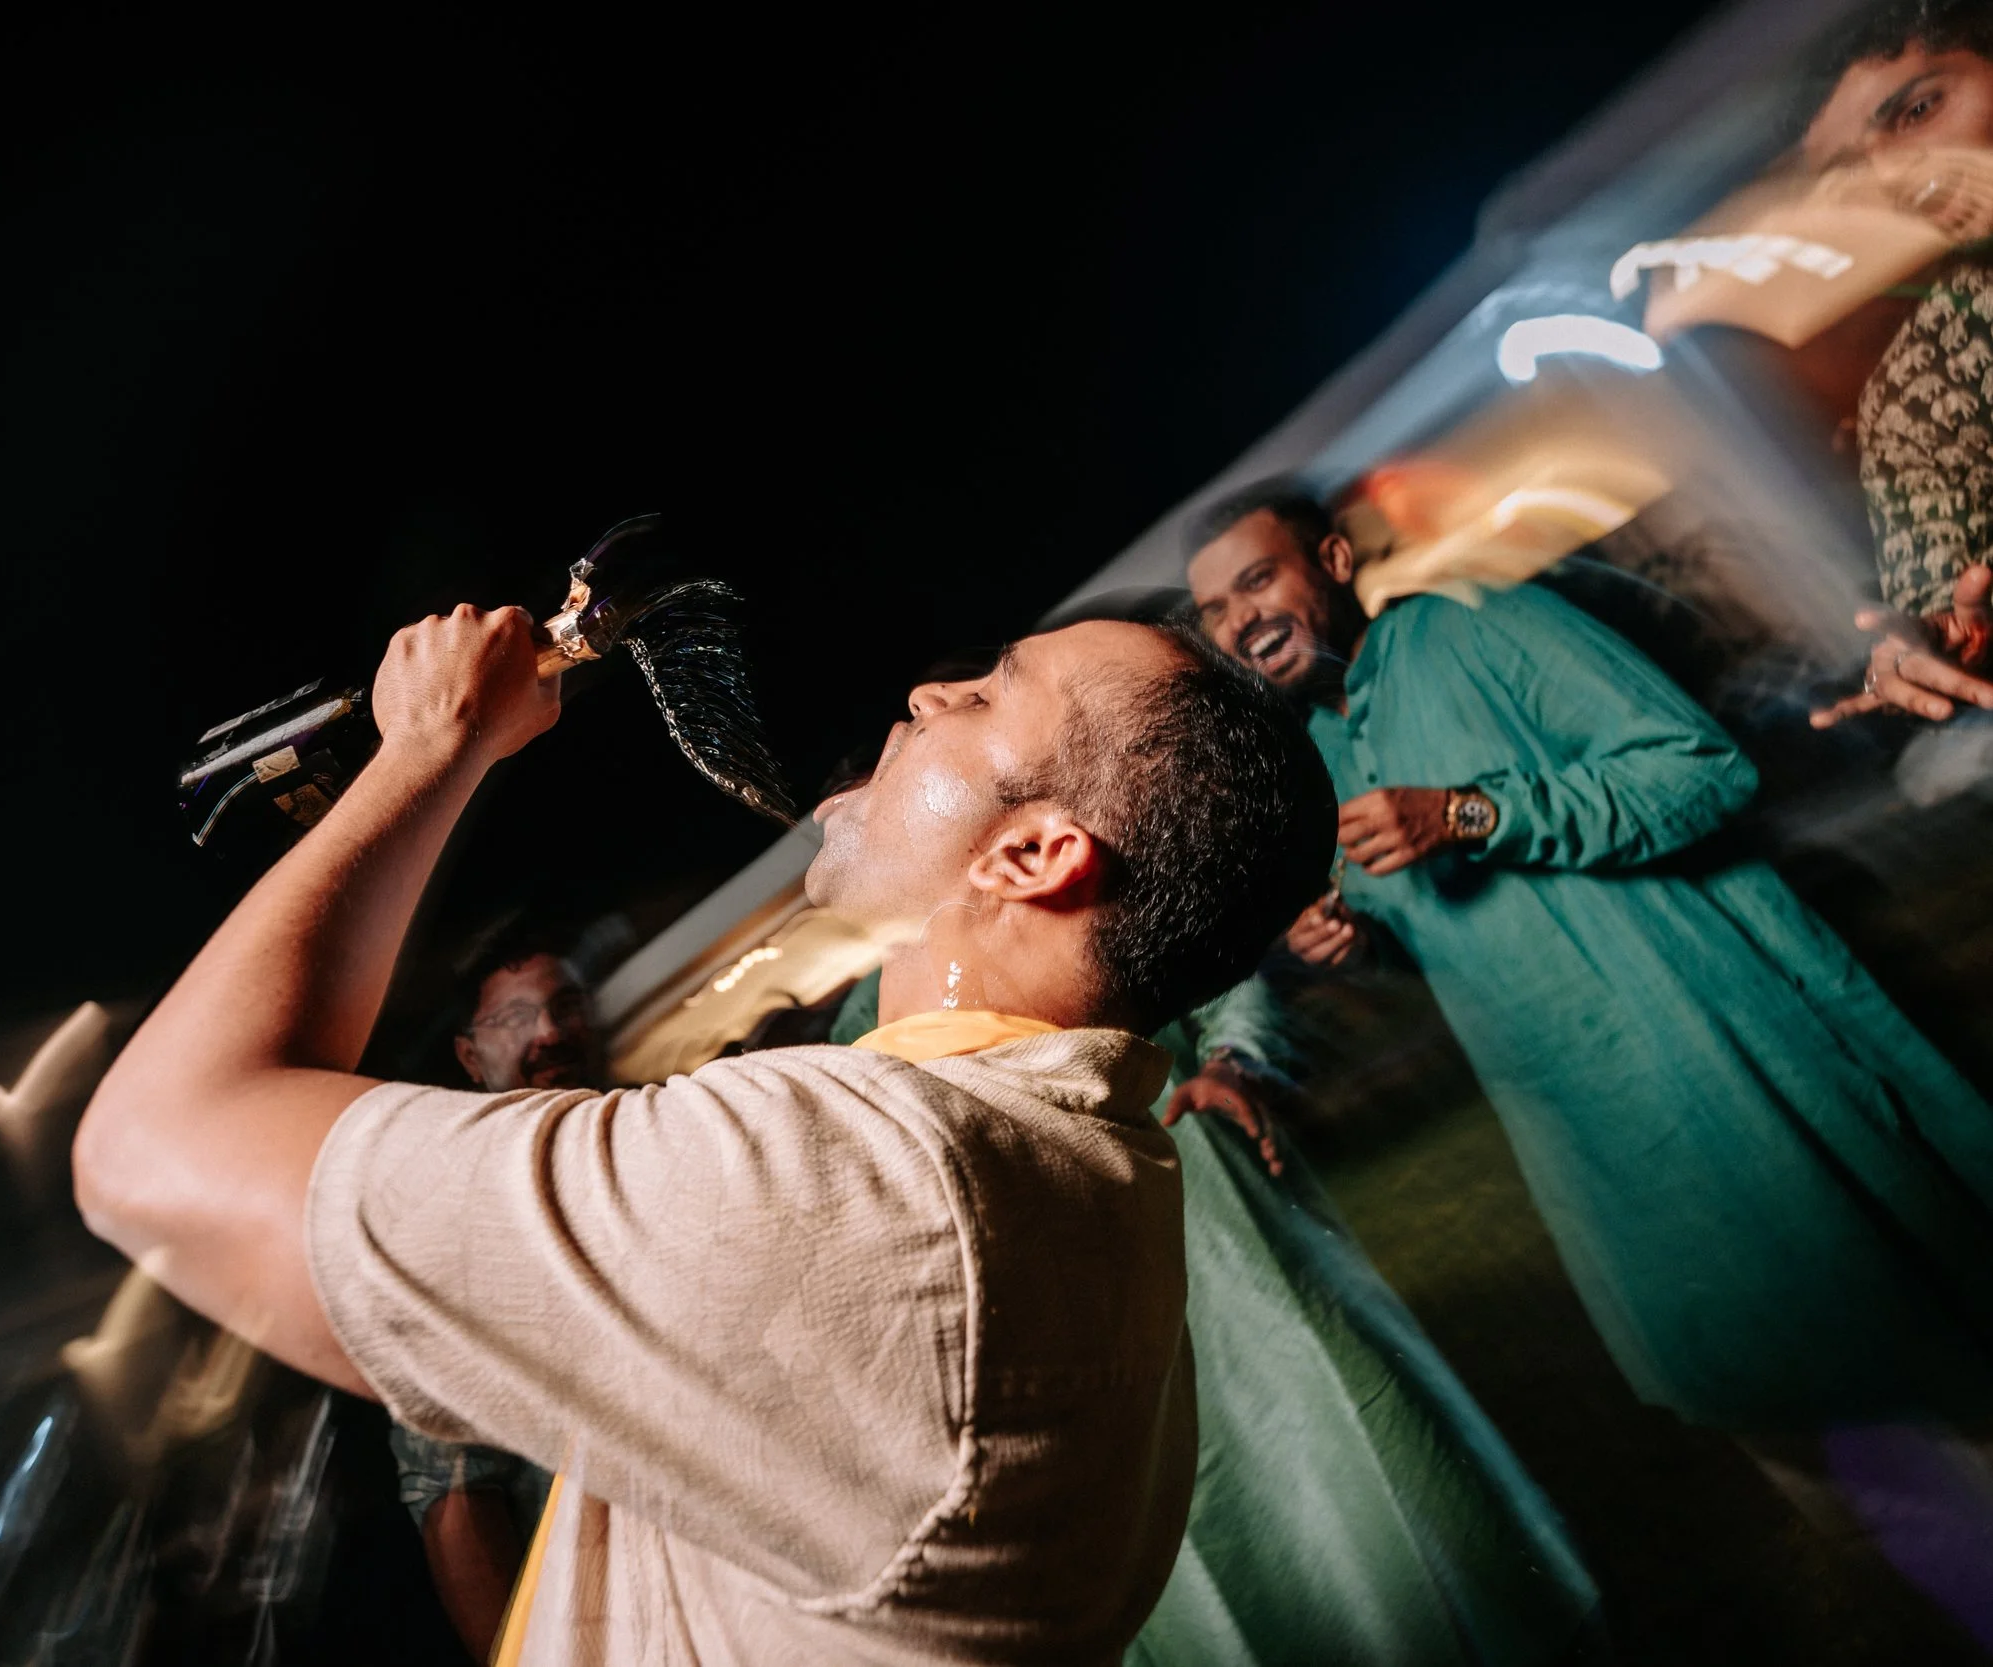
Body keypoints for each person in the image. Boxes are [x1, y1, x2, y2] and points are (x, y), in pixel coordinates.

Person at [70, 602, 1337, 1663]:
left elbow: (156, 1142)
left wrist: (427, 747)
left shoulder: (857, 1180)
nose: (928, 690)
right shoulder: (1085, 1164)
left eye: (991, 694)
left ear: (1032, 853)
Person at [1184, 483, 1993, 1441]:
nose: (1242, 619)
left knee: (1919, 1321)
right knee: (1793, 1401)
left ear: (1332, 562)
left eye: (1258, 580)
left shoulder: (1481, 627)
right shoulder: (1318, 756)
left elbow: (1701, 768)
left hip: (1720, 1047)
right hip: (1596, 1136)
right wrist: (1363, 938)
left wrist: (1470, 811)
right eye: (1217, 611)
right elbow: (1454, 931)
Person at [825, 964, 1603, 1667]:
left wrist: (1238, 1062)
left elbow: (1229, 979)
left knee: (1359, 1448)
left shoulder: (1070, 892)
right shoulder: (859, 1032)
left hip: (1220, 1227)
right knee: (1175, 1519)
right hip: (1063, 1306)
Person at [384, 941, 593, 1661]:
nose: (549, 1034)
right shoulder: (458, 1224)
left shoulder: (648, 1131)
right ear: (470, 1058)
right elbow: (456, 1490)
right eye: (514, 1017)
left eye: (564, 1006)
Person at [1800, 0, 1993, 732]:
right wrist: (1931, 643)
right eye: (1852, 170)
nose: (1899, 177)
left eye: (1917, 110)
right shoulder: (1924, 380)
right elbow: (1937, 597)